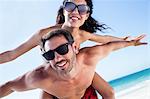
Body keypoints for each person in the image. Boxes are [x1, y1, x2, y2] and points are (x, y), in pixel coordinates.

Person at [0, 0, 131, 98]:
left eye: (81, 9)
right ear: (64, 10)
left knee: (109, 92)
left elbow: (105, 40)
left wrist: (126, 41)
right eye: (70, 6)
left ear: (86, 15)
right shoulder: (44, 34)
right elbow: (12, 54)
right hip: (52, 75)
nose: (75, 12)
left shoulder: (82, 35)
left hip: (76, 68)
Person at [0, 29, 147, 99]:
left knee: (110, 93)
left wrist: (132, 43)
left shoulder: (90, 57)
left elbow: (113, 46)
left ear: (75, 47)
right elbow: (9, 85)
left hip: (85, 92)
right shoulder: (39, 77)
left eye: (62, 49)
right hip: (59, 94)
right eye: (50, 54)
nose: (58, 58)